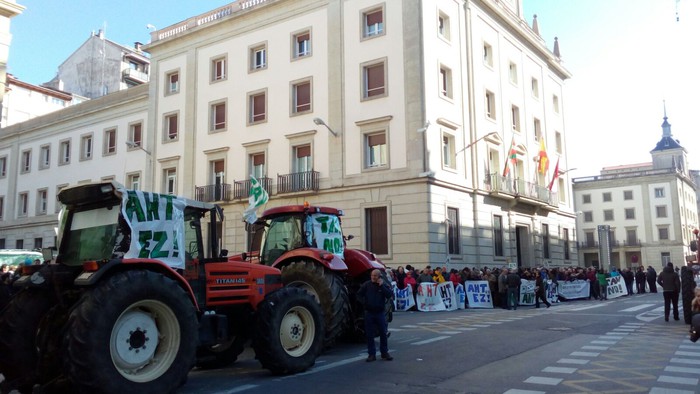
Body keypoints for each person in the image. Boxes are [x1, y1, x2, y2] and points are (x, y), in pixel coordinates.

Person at [357, 269, 393, 362]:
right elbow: (359, 295)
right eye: (372, 276)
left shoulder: (383, 285)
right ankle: (371, 354)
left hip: (380, 313)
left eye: (375, 276)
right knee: (369, 335)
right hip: (369, 313)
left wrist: (382, 286)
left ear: (379, 276)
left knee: (383, 333)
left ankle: (384, 353)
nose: (373, 277)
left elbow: (389, 295)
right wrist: (364, 303)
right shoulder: (366, 285)